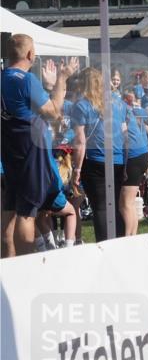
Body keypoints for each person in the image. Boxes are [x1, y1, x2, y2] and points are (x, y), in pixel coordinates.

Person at [1, 34, 76, 256]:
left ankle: (8, 269)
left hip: (11, 152)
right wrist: (62, 78)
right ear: (30, 54)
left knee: (9, 215)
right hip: (30, 153)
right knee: (26, 214)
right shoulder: (25, 79)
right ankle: (25, 267)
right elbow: (53, 111)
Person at [71, 66, 128, 241]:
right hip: (117, 159)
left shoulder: (81, 105)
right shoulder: (119, 104)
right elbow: (125, 136)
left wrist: (76, 170)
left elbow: (80, 141)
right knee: (116, 206)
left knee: (101, 207)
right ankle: (118, 243)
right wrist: (125, 164)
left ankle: (104, 244)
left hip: (95, 159)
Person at [120, 93, 148, 236]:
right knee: (130, 203)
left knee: (125, 204)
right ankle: (132, 238)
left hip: (133, 155)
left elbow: (125, 138)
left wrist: (125, 166)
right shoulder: (125, 108)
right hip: (142, 153)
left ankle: (127, 239)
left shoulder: (118, 110)